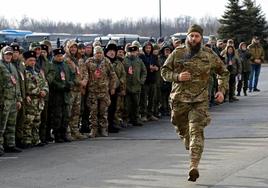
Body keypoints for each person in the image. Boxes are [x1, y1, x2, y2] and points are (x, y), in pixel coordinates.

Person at [161, 24, 229, 182]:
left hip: (200, 100)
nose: (193, 39)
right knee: (180, 126)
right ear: (187, 36)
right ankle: (188, 141)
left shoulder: (208, 54)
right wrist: (177, 77)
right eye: (191, 36)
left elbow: (223, 72)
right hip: (179, 100)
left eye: (197, 36)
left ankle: (194, 165)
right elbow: (164, 71)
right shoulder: (177, 53)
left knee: (196, 131)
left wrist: (221, 90)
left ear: (201, 38)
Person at [85, 46, 117, 138]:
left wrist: (112, 87)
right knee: (93, 111)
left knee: (103, 111)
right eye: (96, 53)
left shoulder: (107, 61)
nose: (98, 55)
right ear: (94, 54)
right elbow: (85, 75)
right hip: (92, 91)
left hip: (104, 91)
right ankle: (93, 129)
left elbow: (112, 75)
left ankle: (103, 129)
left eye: (100, 53)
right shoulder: (89, 62)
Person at [22, 50, 49, 147]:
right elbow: (27, 86)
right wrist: (39, 91)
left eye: (34, 60)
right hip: (31, 100)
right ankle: (27, 140)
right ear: (25, 61)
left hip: (39, 101)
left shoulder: (37, 72)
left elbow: (45, 83)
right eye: (30, 60)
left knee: (37, 121)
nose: (32, 62)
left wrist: (45, 91)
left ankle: (35, 139)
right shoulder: (24, 72)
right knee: (28, 121)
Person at [0, 46, 22, 156]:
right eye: (6, 54)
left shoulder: (12, 66)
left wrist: (19, 99)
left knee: (11, 124)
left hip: (13, 100)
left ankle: (10, 145)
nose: (8, 56)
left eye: (10, 54)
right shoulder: (0, 66)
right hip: (3, 100)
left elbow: (16, 84)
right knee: (1, 125)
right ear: (2, 55)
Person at [49, 48, 74, 143]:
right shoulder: (52, 66)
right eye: (58, 56)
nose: (60, 58)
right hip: (57, 94)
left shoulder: (65, 65)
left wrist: (70, 84)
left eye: (61, 56)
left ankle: (64, 134)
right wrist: (60, 86)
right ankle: (57, 135)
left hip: (66, 94)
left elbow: (72, 75)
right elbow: (51, 80)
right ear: (54, 56)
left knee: (66, 115)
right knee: (57, 116)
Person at [124, 45, 147, 126]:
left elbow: (144, 71)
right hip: (127, 86)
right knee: (127, 104)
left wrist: (141, 81)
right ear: (128, 52)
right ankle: (126, 119)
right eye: (131, 52)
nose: (132, 54)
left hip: (136, 86)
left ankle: (135, 119)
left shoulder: (139, 61)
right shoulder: (124, 61)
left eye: (134, 52)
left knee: (136, 104)